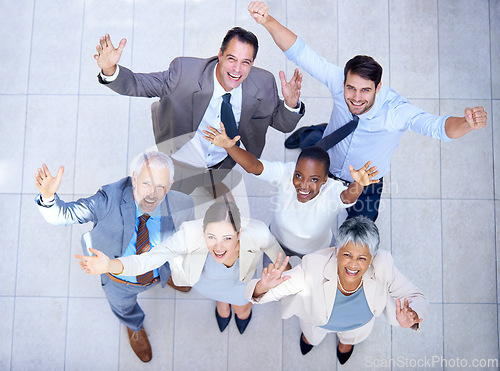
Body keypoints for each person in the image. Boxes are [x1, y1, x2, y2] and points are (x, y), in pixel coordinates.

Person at [247, 1, 488, 221]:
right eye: (351, 88)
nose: (356, 97)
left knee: (359, 230)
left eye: (365, 91)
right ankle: (310, 133)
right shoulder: (339, 81)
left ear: (378, 87)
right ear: (344, 82)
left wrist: (467, 123)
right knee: (315, 150)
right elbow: (301, 52)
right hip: (328, 159)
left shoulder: (396, 112)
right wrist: (267, 20)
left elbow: (437, 127)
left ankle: (314, 133)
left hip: (365, 180)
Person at [94, 27, 305, 198]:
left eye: (245, 62)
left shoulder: (263, 83)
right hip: (180, 158)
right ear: (220, 55)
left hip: (224, 161)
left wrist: (290, 105)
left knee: (209, 190)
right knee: (173, 195)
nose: (237, 69)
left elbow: (282, 124)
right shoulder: (184, 74)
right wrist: (110, 70)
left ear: (252, 64)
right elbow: (138, 85)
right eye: (231, 58)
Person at [34, 151, 194, 363]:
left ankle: (165, 278)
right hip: (119, 279)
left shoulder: (183, 204)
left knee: (167, 269)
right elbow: (64, 214)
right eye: (146, 183)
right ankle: (134, 326)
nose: (152, 194)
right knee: (124, 307)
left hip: (157, 268)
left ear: (170, 185)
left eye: (160, 186)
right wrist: (48, 198)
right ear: (134, 177)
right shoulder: (108, 200)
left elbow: (183, 240)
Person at [76, 201, 285, 335]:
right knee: (221, 296)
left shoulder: (259, 234)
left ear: (239, 234)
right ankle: (222, 303)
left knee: (242, 306)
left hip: (240, 286)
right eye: (211, 237)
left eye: (227, 238)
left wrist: (275, 281)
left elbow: (279, 258)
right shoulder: (190, 234)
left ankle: (239, 310)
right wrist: (111, 265)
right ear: (203, 230)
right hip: (206, 282)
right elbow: (149, 259)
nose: (218, 247)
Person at [245, 216, 428, 364]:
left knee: (350, 338)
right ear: (336, 251)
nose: (353, 264)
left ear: (372, 258)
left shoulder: (384, 265)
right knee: (312, 336)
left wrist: (413, 314)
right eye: (347, 255)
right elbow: (275, 291)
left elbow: (415, 296)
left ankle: (346, 343)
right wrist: (263, 286)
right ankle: (312, 339)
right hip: (317, 322)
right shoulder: (313, 267)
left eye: (362, 258)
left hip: (359, 324)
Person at [204, 122, 379, 258]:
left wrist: (359, 185)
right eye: (299, 175)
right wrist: (229, 146)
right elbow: (254, 166)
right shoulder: (285, 173)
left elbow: (347, 198)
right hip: (277, 242)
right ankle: (307, 135)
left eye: (314, 180)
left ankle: (312, 132)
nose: (303, 185)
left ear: (325, 180)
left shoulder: (332, 189)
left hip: (317, 250)